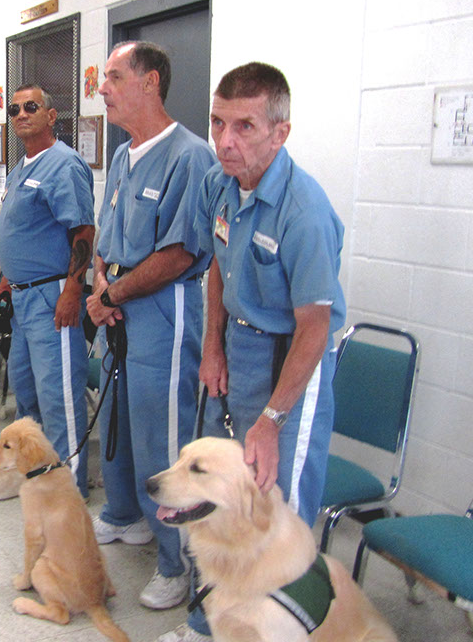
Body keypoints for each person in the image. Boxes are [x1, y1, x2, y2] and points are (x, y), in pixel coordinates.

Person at [165, 62, 347, 642]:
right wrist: (212, 345)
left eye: (244, 126)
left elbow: (315, 326)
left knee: (273, 513)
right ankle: (210, 623)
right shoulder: (221, 183)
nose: (225, 141)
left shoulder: (303, 209)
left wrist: (272, 420)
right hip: (239, 350)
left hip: (293, 361)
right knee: (221, 502)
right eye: (218, 122)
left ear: (280, 132)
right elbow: (218, 266)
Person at [84, 42, 215, 611]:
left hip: (162, 315)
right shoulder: (122, 156)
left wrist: (110, 292)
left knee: (163, 439)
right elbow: (106, 237)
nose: (103, 88)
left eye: (113, 77)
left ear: (150, 82)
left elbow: (181, 254)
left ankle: (177, 563)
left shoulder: (191, 157)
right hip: (117, 309)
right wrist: (99, 289)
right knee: (117, 421)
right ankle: (124, 513)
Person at [0, 85, 94, 497]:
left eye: (31, 107)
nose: (21, 114)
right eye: (15, 108)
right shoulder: (21, 167)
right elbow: (21, 229)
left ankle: (70, 489)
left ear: (52, 116)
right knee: (27, 388)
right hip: (21, 296)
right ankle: (38, 473)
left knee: (60, 397)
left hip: (52, 297)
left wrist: (72, 292)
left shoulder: (63, 164)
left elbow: (83, 231)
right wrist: (6, 274)